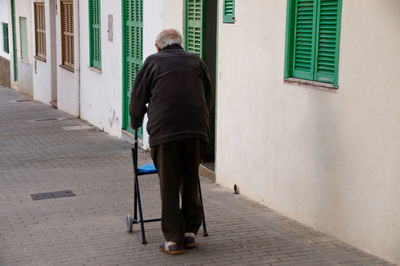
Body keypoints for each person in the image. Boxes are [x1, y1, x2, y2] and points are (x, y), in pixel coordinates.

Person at [129, 28, 213, 255]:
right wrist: (200, 120)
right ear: (180, 44)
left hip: (165, 132)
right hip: (196, 130)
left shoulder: (152, 63)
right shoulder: (196, 62)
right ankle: (189, 234)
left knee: (169, 184)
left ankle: (174, 240)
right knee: (190, 180)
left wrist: (135, 120)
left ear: (158, 46)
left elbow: (138, 98)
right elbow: (208, 95)